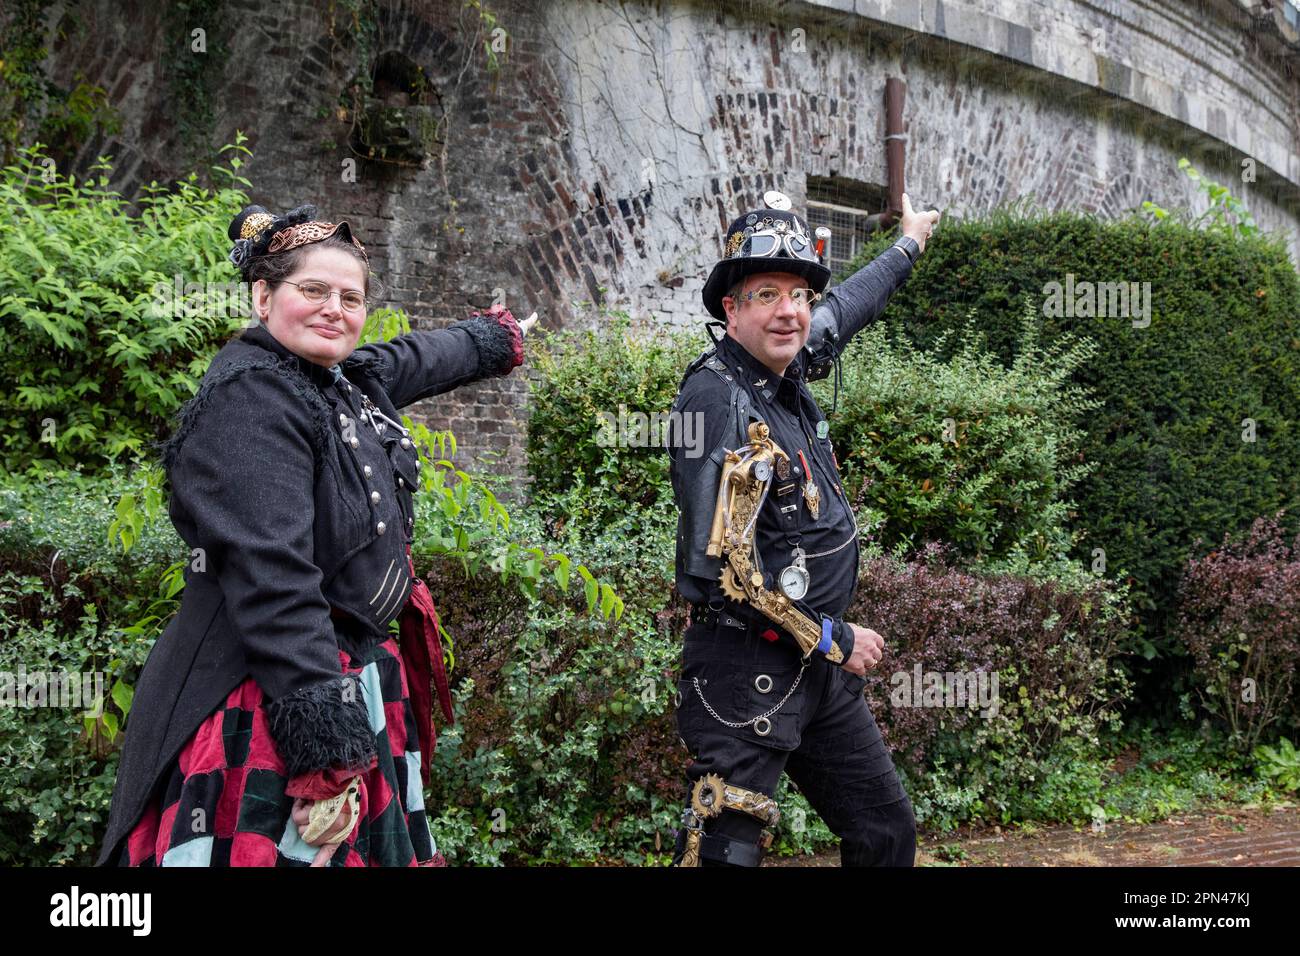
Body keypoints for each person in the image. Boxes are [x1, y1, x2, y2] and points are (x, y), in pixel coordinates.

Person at [96, 203, 532, 866]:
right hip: (270, 692)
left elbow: (417, 356)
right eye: (313, 290)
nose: (335, 308)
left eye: (350, 297)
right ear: (263, 296)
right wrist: (325, 757)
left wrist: (492, 339)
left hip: (348, 676)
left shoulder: (337, 377)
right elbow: (274, 582)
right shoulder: (249, 401)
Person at [667, 189, 939, 866]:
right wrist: (832, 635)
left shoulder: (784, 365)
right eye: (766, 293)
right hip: (746, 672)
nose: (789, 311)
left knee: (884, 835)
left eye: (799, 294)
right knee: (722, 858)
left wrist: (907, 244)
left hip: (816, 672)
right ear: (731, 309)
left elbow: (845, 308)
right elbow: (723, 571)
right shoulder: (715, 398)